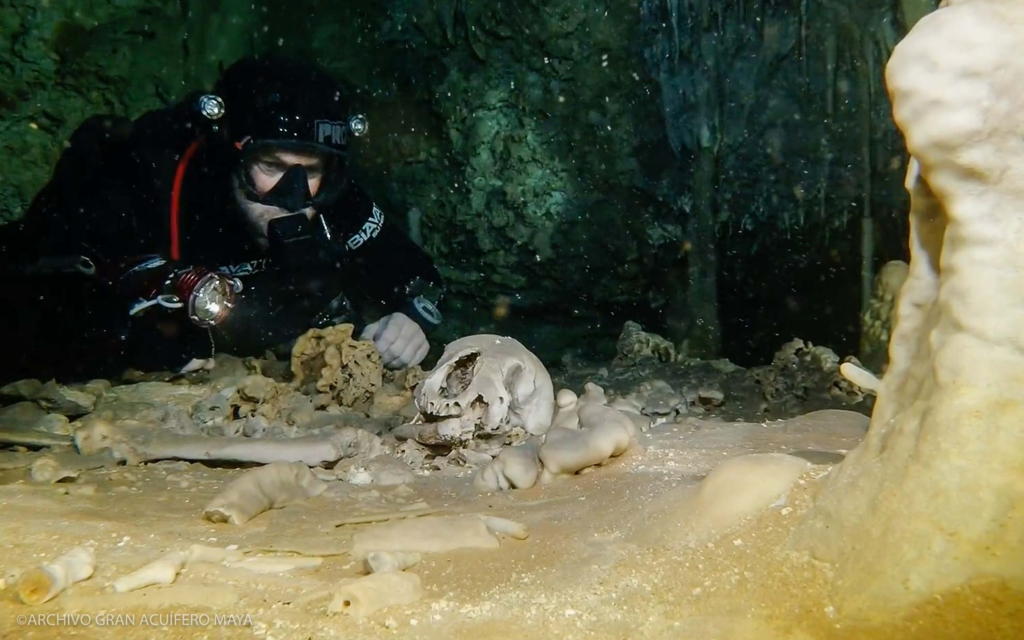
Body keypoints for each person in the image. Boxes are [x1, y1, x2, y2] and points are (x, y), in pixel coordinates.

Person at [0, 55, 445, 382]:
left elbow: (416, 275)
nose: (292, 196)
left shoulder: (331, 196)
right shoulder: (149, 180)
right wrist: (125, 338)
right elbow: (36, 293)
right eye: (270, 165)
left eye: (308, 171)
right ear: (231, 155)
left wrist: (410, 320)